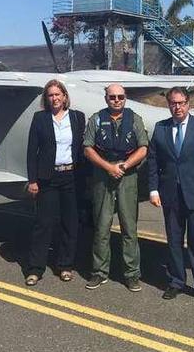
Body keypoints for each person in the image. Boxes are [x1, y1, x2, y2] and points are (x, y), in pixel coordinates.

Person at [147, 87, 194, 304]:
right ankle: (176, 282)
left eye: (181, 103)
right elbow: (153, 161)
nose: (177, 107)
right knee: (173, 242)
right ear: (168, 105)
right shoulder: (160, 128)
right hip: (170, 194)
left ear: (188, 103)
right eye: (173, 103)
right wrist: (153, 189)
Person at [83, 83, 148, 292]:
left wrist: (124, 166)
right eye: (112, 97)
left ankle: (131, 274)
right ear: (106, 99)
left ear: (125, 98)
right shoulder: (96, 119)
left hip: (127, 175)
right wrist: (108, 167)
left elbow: (143, 148)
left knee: (129, 227)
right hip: (103, 175)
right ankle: (99, 272)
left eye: (120, 97)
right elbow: (88, 149)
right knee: (102, 227)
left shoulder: (135, 119)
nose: (117, 100)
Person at [24, 79, 86, 286]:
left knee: (70, 223)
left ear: (65, 97)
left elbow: (82, 148)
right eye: (50, 95)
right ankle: (35, 268)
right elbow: (32, 151)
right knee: (44, 223)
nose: (54, 98)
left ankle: (66, 265)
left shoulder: (77, 118)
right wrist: (33, 180)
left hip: (71, 176)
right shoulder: (40, 118)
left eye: (58, 94)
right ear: (46, 98)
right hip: (48, 177)